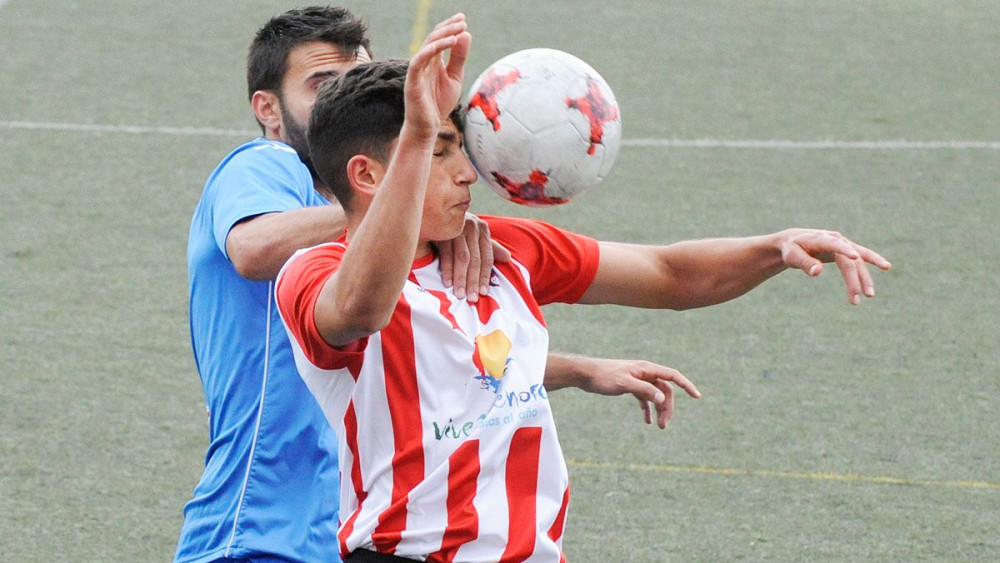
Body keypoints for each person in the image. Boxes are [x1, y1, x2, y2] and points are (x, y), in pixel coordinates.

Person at [275, 15, 890, 562]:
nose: (469, 173)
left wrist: (773, 247)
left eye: (460, 148)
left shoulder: (502, 251)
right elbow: (362, 308)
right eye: (440, 153)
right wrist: (414, 134)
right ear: (366, 174)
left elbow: (669, 275)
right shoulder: (311, 275)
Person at [178, 7, 697, 563]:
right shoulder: (265, 164)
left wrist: (578, 368)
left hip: (349, 530)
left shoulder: (393, 246)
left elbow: (426, 364)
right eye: (322, 82)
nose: (343, 91)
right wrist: (405, 203)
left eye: (356, 76)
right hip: (259, 528)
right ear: (268, 108)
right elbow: (254, 248)